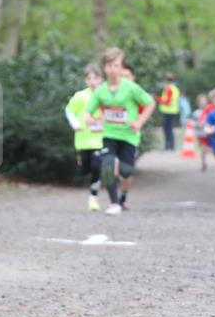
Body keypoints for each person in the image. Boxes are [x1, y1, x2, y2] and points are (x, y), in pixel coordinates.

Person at [87, 48, 156, 215]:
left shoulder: (131, 88)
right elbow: (89, 111)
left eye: (116, 65)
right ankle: (114, 203)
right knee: (107, 167)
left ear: (121, 67)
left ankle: (123, 194)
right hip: (109, 135)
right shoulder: (101, 90)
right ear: (104, 67)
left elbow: (150, 103)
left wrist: (139, 121)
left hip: (129, 137)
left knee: (126, 172)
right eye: (109, 65)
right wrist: (89, 118)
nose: (113, 69)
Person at [64, 64, 105, 211]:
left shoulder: (106, 95)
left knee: (96, 167)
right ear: (86, 81)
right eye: (89, 78)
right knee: (85, 170)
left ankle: (93, 198)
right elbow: (69, 111)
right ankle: (83, 165)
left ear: (101, 79)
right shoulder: (80, 96)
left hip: (100, 140)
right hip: (83, 140)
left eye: (96, 78)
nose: (93, 81)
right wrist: (75, 124)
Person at [156, 72, 181, 151]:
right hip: (172, 111)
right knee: (169, 129)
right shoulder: (174, 88)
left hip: (168, 111)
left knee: (167, 129)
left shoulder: (169, 88)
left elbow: (167, 101)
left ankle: (169, 146)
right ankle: (170, 146)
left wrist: (157, 99)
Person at [192, 93, 211, 171]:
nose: (203, 102)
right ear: (198, 103)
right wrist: (198, 124)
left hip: (210, 134)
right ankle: (203, 163)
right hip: (201, 134)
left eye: (204, 101)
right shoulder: (196, 113)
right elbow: (193, 123)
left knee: (210, 149)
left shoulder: (210, 111)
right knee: (203, 149)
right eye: (201, 101)